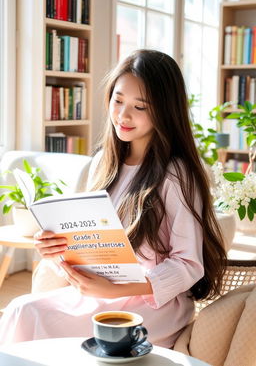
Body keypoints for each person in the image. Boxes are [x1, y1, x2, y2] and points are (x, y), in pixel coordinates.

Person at [0, 49, 226, 348]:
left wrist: (114, 290)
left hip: (153, 307)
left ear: (165, 110)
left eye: (140, 107)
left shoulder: (176, 174)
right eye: (118, 101)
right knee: (20, 310)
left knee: (27, 316)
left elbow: (188, 264)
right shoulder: (103, 163)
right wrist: (56, 248)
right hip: (99, 295)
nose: (123, 115)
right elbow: (88, 245)